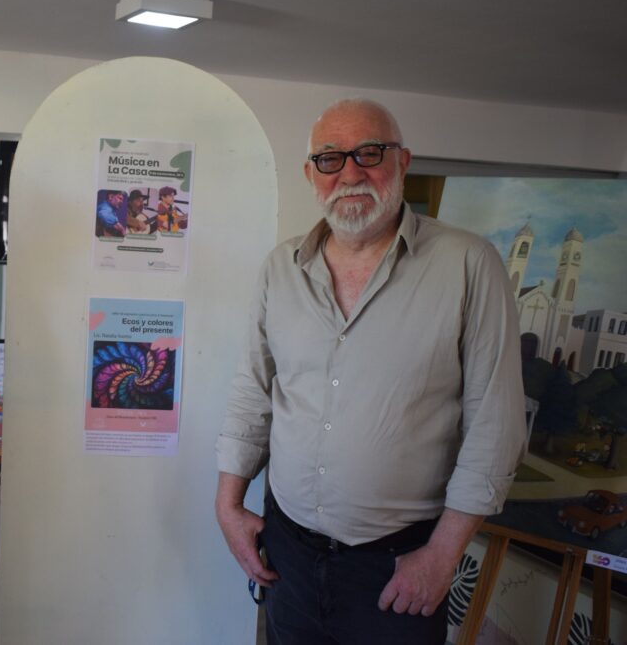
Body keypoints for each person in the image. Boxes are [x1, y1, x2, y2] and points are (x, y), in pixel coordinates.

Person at [215, 99, 526, 644]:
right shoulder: (280, 269)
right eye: (330, 158)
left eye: (370, 153)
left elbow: (495, 426)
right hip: (286, 552)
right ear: (311, 173)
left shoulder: (468, 264)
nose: (351, 173)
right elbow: (253, 392)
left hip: (398, 567)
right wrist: (228, 505)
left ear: (402, 161)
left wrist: (442, 554)